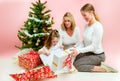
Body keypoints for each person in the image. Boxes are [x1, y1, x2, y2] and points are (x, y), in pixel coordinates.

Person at [71, 3, 106, 72]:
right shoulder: (86, 26)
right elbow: (84, 42)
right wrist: (76, 48)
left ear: (91, 12)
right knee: (74, 58)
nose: (84, 18)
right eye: (82, 16)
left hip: (98, 55)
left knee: (76, 65)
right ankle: (92, 64)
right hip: (88, 53)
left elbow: (94, 47)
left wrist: (79, 51)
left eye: (84, 15)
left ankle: (102, 68)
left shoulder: (98, 26)